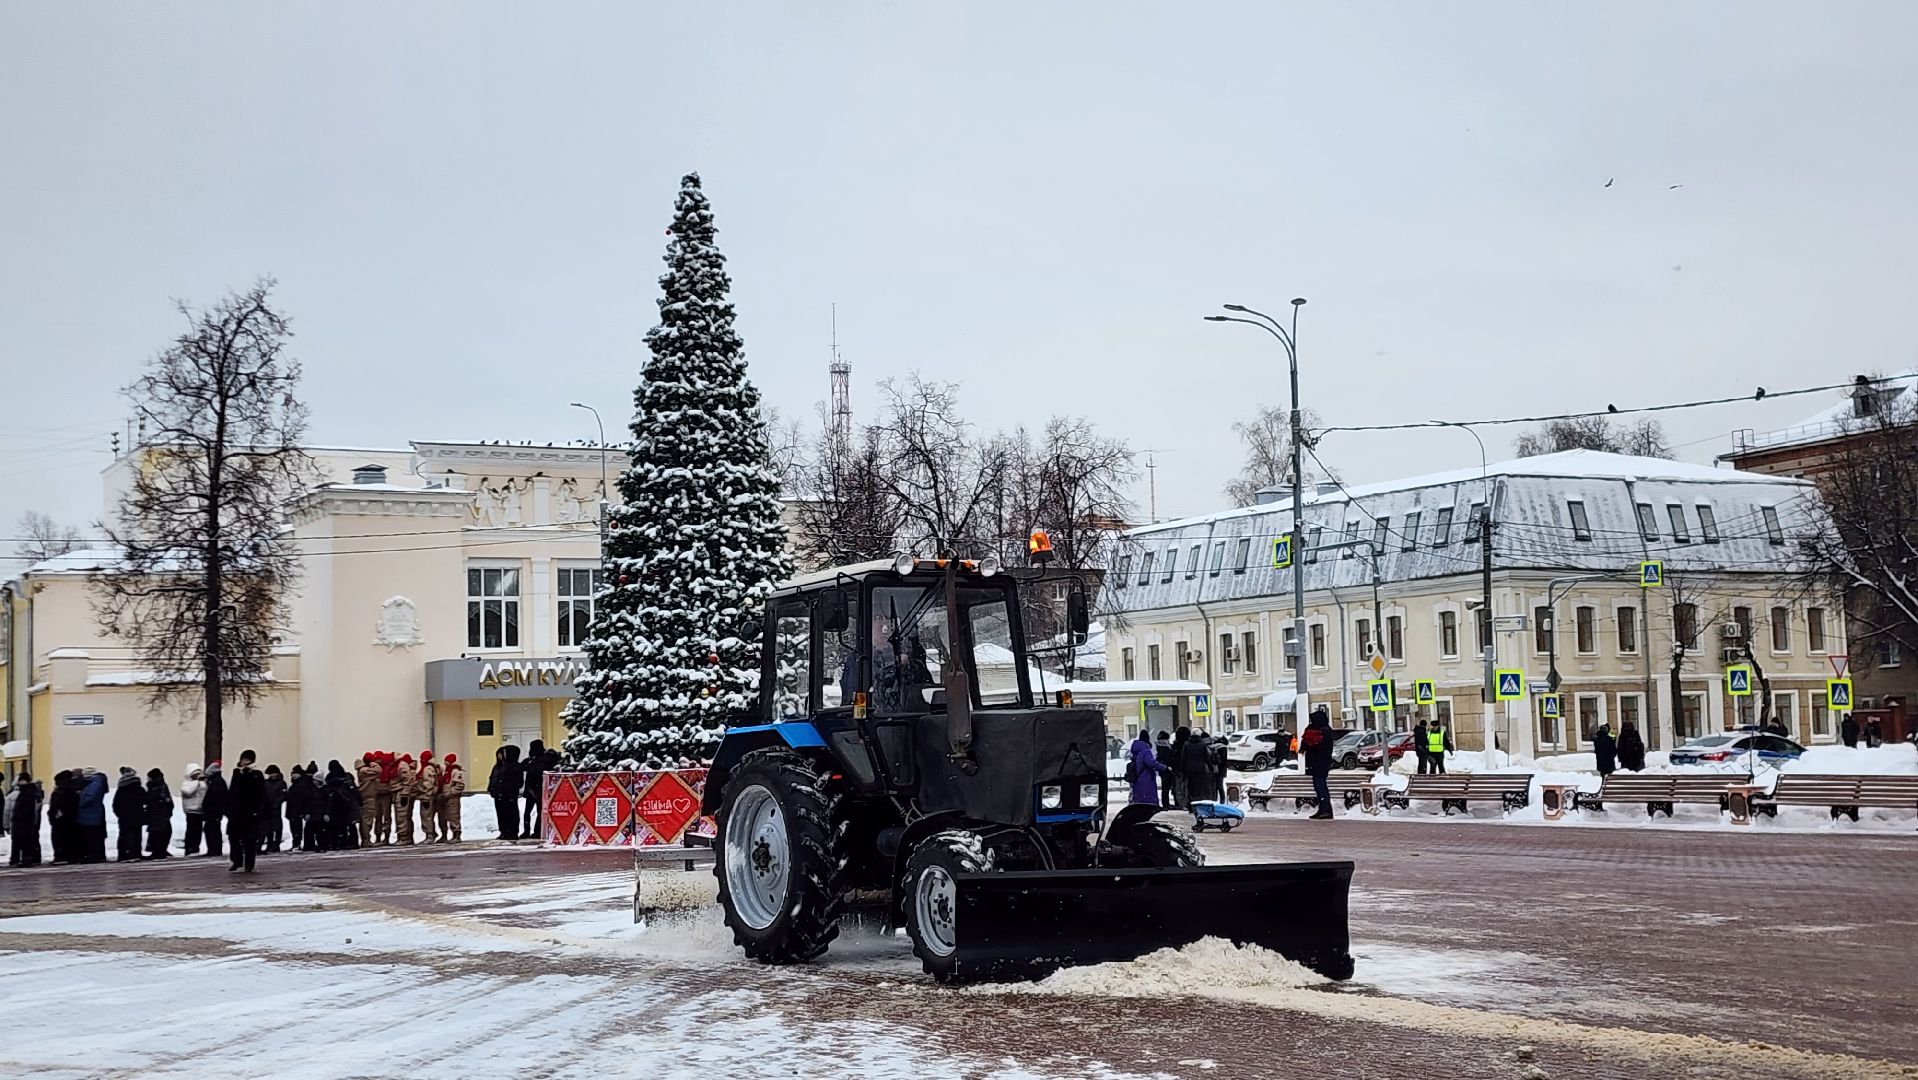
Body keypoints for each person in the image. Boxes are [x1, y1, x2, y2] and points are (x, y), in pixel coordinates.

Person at [226, 750, 265, 873]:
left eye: (247, 760)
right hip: (236, 812)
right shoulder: (237, 773)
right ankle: (236, 860)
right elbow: (232, 791)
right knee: (233, 837)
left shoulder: (256, 774)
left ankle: (249, 864)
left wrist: (256, 811)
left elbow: (259, 793)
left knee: (250, 840)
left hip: (249, 812)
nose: (244, 762)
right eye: (243, 759)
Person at [1301, 706, 1336, 820]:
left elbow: (1318, 746)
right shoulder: (1321, 730)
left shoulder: (1324, 732)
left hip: (1321, 763)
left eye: (1313, 720)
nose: (1312, 723)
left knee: (1321, 786)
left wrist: (1309, 743)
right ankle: (1323, 809)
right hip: (1318, 764)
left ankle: (1326, 810)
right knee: (1318, 786)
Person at [111, 767, 146, 862]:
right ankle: (136, 853)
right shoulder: (139, 789)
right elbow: (145, 801)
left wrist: (120, 814)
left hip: (124, 817)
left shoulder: (121, 790)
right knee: (137, 835)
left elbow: (116, 805)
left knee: (125, 835)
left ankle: (126, 854)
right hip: (137, 816)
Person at [9, 772, 43, 867]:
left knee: (25, 840)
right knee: (25, 840)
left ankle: (26, 859)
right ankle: (26, 859)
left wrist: (19, 818)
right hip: (23, 821)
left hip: (24, 821)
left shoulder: (28, 792)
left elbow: (27, 809)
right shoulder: (27, 791)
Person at [488, 745, 522, 841]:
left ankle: (512, 832)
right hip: (498, 794)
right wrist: (492, 789)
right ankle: (503, 831)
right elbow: (493, 778)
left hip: (509, 795)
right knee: (501, 814)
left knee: (511, 814)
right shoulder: (498, 766)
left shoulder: (515, 766)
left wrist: (508, 790)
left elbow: (516, 782)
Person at [1127, 729, 1168, 806]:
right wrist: (1164, 767)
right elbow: (1151, 763)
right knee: (1148, 802)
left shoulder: (1136, 750)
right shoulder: (1145, 751)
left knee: (1139, 801)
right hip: (1146, 778)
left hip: (1138, 778)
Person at [77, 768, 109, 863]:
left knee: (92, 836)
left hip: (91, 814)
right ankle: (94, 855)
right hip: (91, 814)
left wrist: (79, 801)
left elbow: (90, 798)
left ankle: (94, 855)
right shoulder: (95, 783)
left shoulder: (95, 784)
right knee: (92, 836)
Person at [48, 770, 78, 864]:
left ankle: (60, 856)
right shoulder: (73, 789)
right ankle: (70, 856)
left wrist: (53, 815)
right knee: (70, 837)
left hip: (60, 819)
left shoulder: (60, 791)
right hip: (71, 818)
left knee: (59, 837)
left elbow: (56, 806)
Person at [144, 768, 174, 858]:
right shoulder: (160, 786)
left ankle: (158, 850)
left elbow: (161, 800)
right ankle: (160, 850)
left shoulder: (156, 787)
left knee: (157, 832)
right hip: (160, 813)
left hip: (157, 812)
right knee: (161, 832)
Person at [520, 741, 547, 839]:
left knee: (538, 811)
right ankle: (527, 831)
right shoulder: (531, 759)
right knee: (528, 812)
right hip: (531, 789)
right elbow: (523, 766)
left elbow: (533, 770)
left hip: (538, 789)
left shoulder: (542, 760)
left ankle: (537, 831)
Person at [180, 764, 209, 855]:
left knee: (198, 831)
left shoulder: (203, 784)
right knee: (191, 830)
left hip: (200, 810)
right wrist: (197, 782)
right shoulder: (186, 784)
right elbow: (188, 792)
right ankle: (189, 848)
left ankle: (196, 847)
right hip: (191, 810)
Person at [1181, 730, 1215, 804]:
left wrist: (1183, 770)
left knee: (1191, 787)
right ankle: (1198, 802)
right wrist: (1211, 767)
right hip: (1200, 769)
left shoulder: (1186, 744)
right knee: (1199, 787)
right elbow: (1206, 758)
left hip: (1189, 769)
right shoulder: (1202, 744)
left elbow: (1184, 758)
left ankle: (1191, 803)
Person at [415, 750, 442, 843]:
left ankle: (430, 835)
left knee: (426, 816)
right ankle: (430, 834)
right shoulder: (430, 767)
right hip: (426, 795)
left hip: (427, 796)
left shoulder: (428, 769)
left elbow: (429, 783)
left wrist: (425, 793)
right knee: (426, 815)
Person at [201, 760, 227, 858]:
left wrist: (206, 805)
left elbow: (213, 797)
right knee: (212, 829)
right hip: (214, 811)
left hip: (214, 811)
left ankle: (214, 849)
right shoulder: (217, 782)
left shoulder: (216, 783)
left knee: (212, 829)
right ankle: (214, 849)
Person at [438, 753, 465, 842]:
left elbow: (460, 785)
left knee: (454, 816)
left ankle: (456, 834)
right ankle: (444, 835)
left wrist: (451, 793)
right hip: (445, 797)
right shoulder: (446, 771)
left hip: (452, 797)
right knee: (444, 817)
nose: (445, 763)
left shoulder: (455, 772)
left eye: (447, 762)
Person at [355, 755, 381, 847]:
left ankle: (366, 839)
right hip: (368, 797)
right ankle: (366, 840)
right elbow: (378, 771)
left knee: (366, 819)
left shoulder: (362, 771)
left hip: (367, 797)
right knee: (367, 820)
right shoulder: (364, 771)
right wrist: (373, 763)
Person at [261, 765, 287, 853]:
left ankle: (276, 844)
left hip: (275, 808)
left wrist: (276, 803)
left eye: (273, 773)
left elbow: (282, 795)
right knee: (268, 828)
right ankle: (270, 844)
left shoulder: (281, 783)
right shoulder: (266, 783)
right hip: (267, 808)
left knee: (277, 827)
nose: (272, 775)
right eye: (270, 773)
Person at [395, 754, 418, 845]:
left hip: (405, 794)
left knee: (402, 816)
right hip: (408, 794)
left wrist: (404, 793)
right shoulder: (409, 769)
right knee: (406, 816)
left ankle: (404, 837)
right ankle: (408, 836)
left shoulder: (405, 768)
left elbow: (408, 783)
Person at [375, 751, 397, 844]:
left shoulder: (385, 768)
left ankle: (384, 836)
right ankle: (380, 835)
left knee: (383, 816)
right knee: (380, 816)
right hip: (381, 794)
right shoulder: (378, 769)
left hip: (384, 794)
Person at [1168, 728, 1191, 808]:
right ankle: (1186, 803)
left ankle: (1180, 804)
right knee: (1187, 787)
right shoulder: (1189, 745)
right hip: (1188, 770)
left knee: (1178, 788)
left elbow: (1172, 758)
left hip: (1177, 770)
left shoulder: (1175, 747)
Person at [1154, 730, 1174, 806]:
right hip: (1167, 769)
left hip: (1163, 769)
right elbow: (1168, 757)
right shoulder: (1165, 747)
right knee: (1166, 787)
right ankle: (1166, 803)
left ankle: (1165, 802)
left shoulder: (1159, 747)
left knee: (1165, 787)